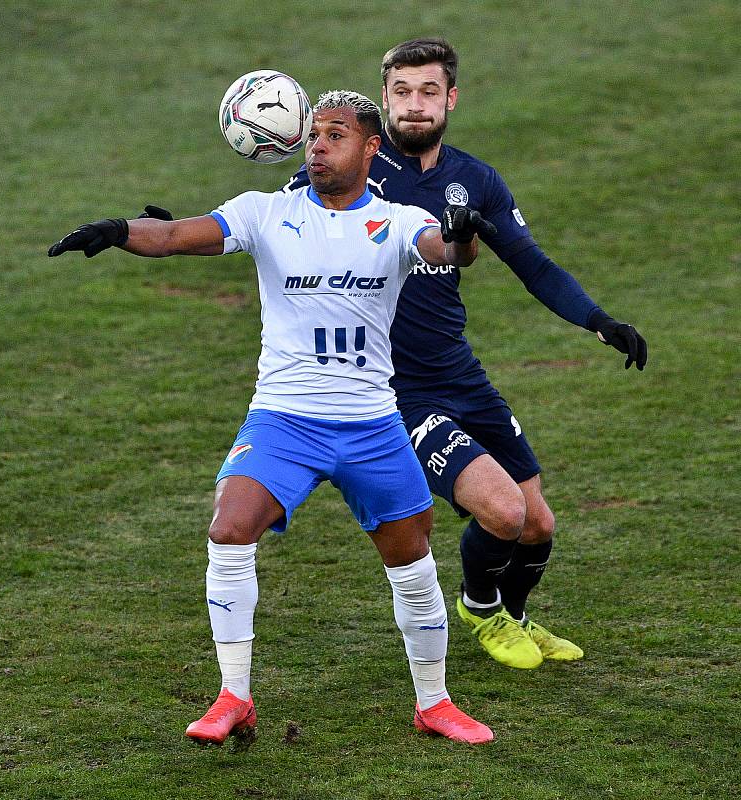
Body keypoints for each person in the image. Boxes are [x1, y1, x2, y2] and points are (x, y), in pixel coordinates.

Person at [48, 90, 498, 745]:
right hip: (284, 422)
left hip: (373, 425)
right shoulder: (266, 213)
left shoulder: (398, 222)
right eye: (313, 135)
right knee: (230, 527)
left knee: (412, 562)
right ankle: (234, 696)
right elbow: (176, 234)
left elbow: (446, 249)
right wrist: (119, 231)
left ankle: (434, 702)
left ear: (371, 149)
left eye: (335, 136)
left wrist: (460, 236)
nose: (317, 146)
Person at [286, 39, 648, 670]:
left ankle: (516, 616)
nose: (414, 106)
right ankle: (480, 611)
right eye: (401, 92)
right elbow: (262, 222)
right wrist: (181, 227)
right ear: (384, 100)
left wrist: (598, 320)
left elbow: (533, 265)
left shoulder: (475, 182)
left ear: (450, 98)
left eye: (428, 92)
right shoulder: (348, 173)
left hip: (460, 374)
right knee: (503, 510)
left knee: (538, 524)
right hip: (395, 391)